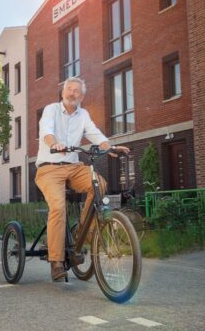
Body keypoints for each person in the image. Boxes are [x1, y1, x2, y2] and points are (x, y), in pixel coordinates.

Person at [35, 77, 130, 282]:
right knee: (58, 207)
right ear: (63, 93)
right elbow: (46, 131)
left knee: (100, 184)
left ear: (82, 96)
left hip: (74, 167)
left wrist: (109, 147)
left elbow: (94, 133)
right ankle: (56, 261)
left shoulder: (83, 114)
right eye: (69, 89)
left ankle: (82, 232)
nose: (72, 93)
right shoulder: (51, 110)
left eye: (76, 91)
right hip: (49, 168)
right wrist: (55, 143)